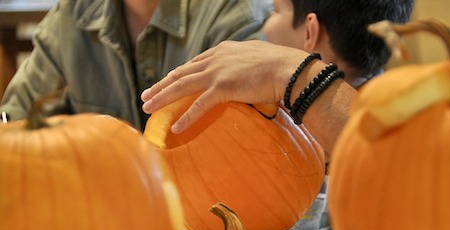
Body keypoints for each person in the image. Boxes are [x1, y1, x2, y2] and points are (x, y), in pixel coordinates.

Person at [142, 0, 415, 230]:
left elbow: (410, 180)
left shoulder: (408, 129)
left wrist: (291, 70)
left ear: (311, 31)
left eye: (274, 12)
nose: (265, 29)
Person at [0, 0, 273, 131]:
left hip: (207, 223)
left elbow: (254, 148)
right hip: (96, 219)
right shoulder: (71, 15)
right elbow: (13, 121)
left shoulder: (236, 15)